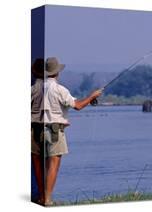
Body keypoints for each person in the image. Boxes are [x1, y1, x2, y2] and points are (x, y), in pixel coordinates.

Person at [31, 57, 103, 206]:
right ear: (56, 73)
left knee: (38, 163)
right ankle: (48, 199)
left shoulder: (34, 88)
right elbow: (77, 105)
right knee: (53, 164)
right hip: (54, 131)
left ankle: (41, 197)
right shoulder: (60, 89)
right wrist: (92, 96)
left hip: (34, 130)